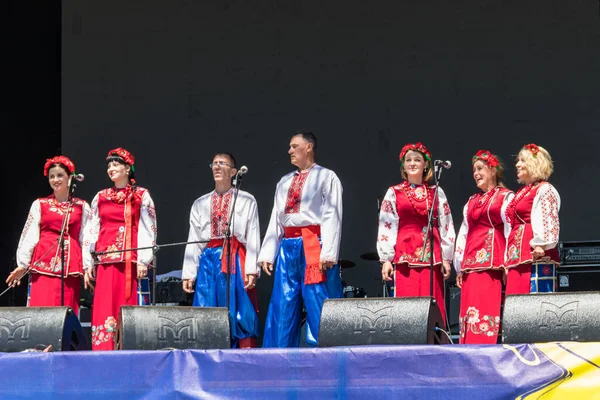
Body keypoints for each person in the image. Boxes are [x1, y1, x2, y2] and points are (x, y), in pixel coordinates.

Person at [259, 130, 343, 348]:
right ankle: (279, 355)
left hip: (313, 244)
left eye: (294, 146)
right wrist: (268, 253)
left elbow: (332, 215)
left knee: (318, 300)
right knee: (283, 302)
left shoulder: (326, 176)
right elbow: (276, 218)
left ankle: (327, 355)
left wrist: (329, 253)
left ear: (309, 147)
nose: (289, 151)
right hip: (288, 246)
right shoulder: (284, 181)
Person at [182, 152, 261, 348]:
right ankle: (207, 357)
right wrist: (189, 273)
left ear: (234, 171)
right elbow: (194, 239)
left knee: (239, 308)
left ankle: (243, 359)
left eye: (222, 163)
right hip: (209, 259)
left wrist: (251, 269)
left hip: (235, 258)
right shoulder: (200, 202)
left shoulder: (246, 199)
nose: (216, 167)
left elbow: (252, 235)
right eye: (214, 164)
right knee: (206, 307)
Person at [82, 147, 157, 351]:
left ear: (128, 169)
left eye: (116, 164)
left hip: (130, 263)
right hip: (105, 262)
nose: (111, 168)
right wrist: (88, 263)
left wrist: (143, 259)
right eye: (109, 165)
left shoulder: (141, 194)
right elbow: (91, 230)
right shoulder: (101, 196)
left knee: (128, 307)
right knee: (105, 308)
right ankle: (103, 353)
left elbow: (148, 228)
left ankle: (128, 352)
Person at [377, 142, 455, 324]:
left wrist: (447, 258)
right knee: (406, 305)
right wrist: (387, 259)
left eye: (417, 160)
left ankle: (435, 343)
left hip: (431, 258)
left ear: (425, 164)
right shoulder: (394, 192)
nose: (412, 163)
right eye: (408, 160)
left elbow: (446, 224)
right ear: (403, 165)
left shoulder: (436, 191)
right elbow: (386, 226)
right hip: (405, 257)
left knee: (432, 302)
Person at [7, 156, 90, 315]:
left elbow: (85, 237)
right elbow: (30, 234)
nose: (55, 179)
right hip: (43, 264)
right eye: (52, 176)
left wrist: (87, 266)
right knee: (41, 309)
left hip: (70, 266)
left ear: (70, 177)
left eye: (60, 175)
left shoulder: (81, 206)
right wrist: (22, 265)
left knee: (67, 310)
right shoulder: (40, 204)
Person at [453, 150, 513, 344]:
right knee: (469, 312)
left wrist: (507, 262)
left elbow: (510, 230)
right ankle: (468, 350)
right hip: (470, 264)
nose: (476, 174)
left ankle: (485, 351)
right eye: (474, 170)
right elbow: (464, 233)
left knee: (486, 308)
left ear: (493, 170)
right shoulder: (471, 201)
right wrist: (459, 265)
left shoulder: (505, 197)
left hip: (491, 263)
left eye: (480, 169)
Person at [505, 143, 560, 294]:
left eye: (522, 160)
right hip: (518, 254)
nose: (517, 164)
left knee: (534, 300)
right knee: (516, 300)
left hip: (534, 253)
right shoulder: (524, 191)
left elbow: (548, 217)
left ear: (534, 163)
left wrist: (540, 244)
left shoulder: (544, 189)